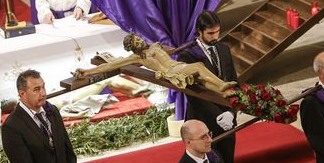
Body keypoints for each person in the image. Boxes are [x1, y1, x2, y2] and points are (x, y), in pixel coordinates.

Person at [72, 32, 237, 96]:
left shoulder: (155, 46)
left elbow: (171, 50)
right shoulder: (138, 58)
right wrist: (87, 72)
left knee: (200, 79)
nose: (140, 40)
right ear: (133, 48)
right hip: (170, 72)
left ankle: (222, 93)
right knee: (199, 66)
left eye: (138, 38)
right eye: (136, 41)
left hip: (176, 66)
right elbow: (109, 66)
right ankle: (222, 84)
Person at [177, 10, 238, 163]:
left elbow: (234, 83)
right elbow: (193, 93)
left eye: (217, 32)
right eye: (210, 33)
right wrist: (218, 114)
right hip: (202, 121)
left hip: (226, 120)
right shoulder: (187, 56)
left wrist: (231, 112)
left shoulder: (224, 49)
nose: (215, 36)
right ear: (199, 31)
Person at [2, 70, 78, 163]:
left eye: (43, 87)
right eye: (36, 89)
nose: (43, 93)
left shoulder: (52, 111)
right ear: (22, 94)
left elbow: (68, 152)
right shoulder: (11, 127)